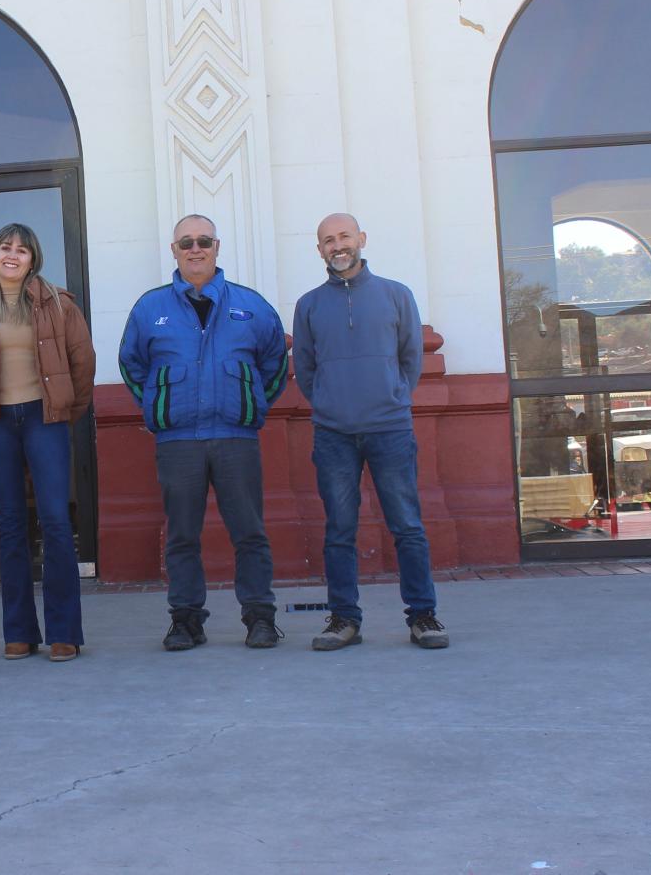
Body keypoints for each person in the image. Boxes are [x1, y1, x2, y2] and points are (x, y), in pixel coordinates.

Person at [117, 214, 289, 652]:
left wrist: (253, 405)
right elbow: (132, 365)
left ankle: (260, 618)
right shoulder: (150, 309)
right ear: (173, 250)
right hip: (178, 442)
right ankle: (186, 621)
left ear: (217, 246)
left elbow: (275, 364)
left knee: (249, 532)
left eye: (204, 241)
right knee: (182, 535)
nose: (196, 249)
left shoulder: (251, 306)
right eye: (186, 242)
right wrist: (158, 404)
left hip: (235, 438)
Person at [293, 212, 448, 651]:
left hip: (390, 429)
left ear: (361, 238)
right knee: (339, 529)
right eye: (327, 240)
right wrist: (329, 401)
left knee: (407, 526)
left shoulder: (396, 295)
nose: (337, 245)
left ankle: (423, 616)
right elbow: (305, 368)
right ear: (319, 249)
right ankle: (344, 619)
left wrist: (390, 395)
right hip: (333, 434)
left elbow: (410, 360)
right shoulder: (308, 305)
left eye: (344, 236)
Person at [0, 223, 94, 662]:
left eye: (21, 249)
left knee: (54, 520)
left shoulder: (58, 303)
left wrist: (61, 411)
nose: (12, 255)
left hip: (44, 417)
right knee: (11, 523)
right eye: (4, 247)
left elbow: (82, 364)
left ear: (34, 258)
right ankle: (18, 632)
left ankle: (64, 632)